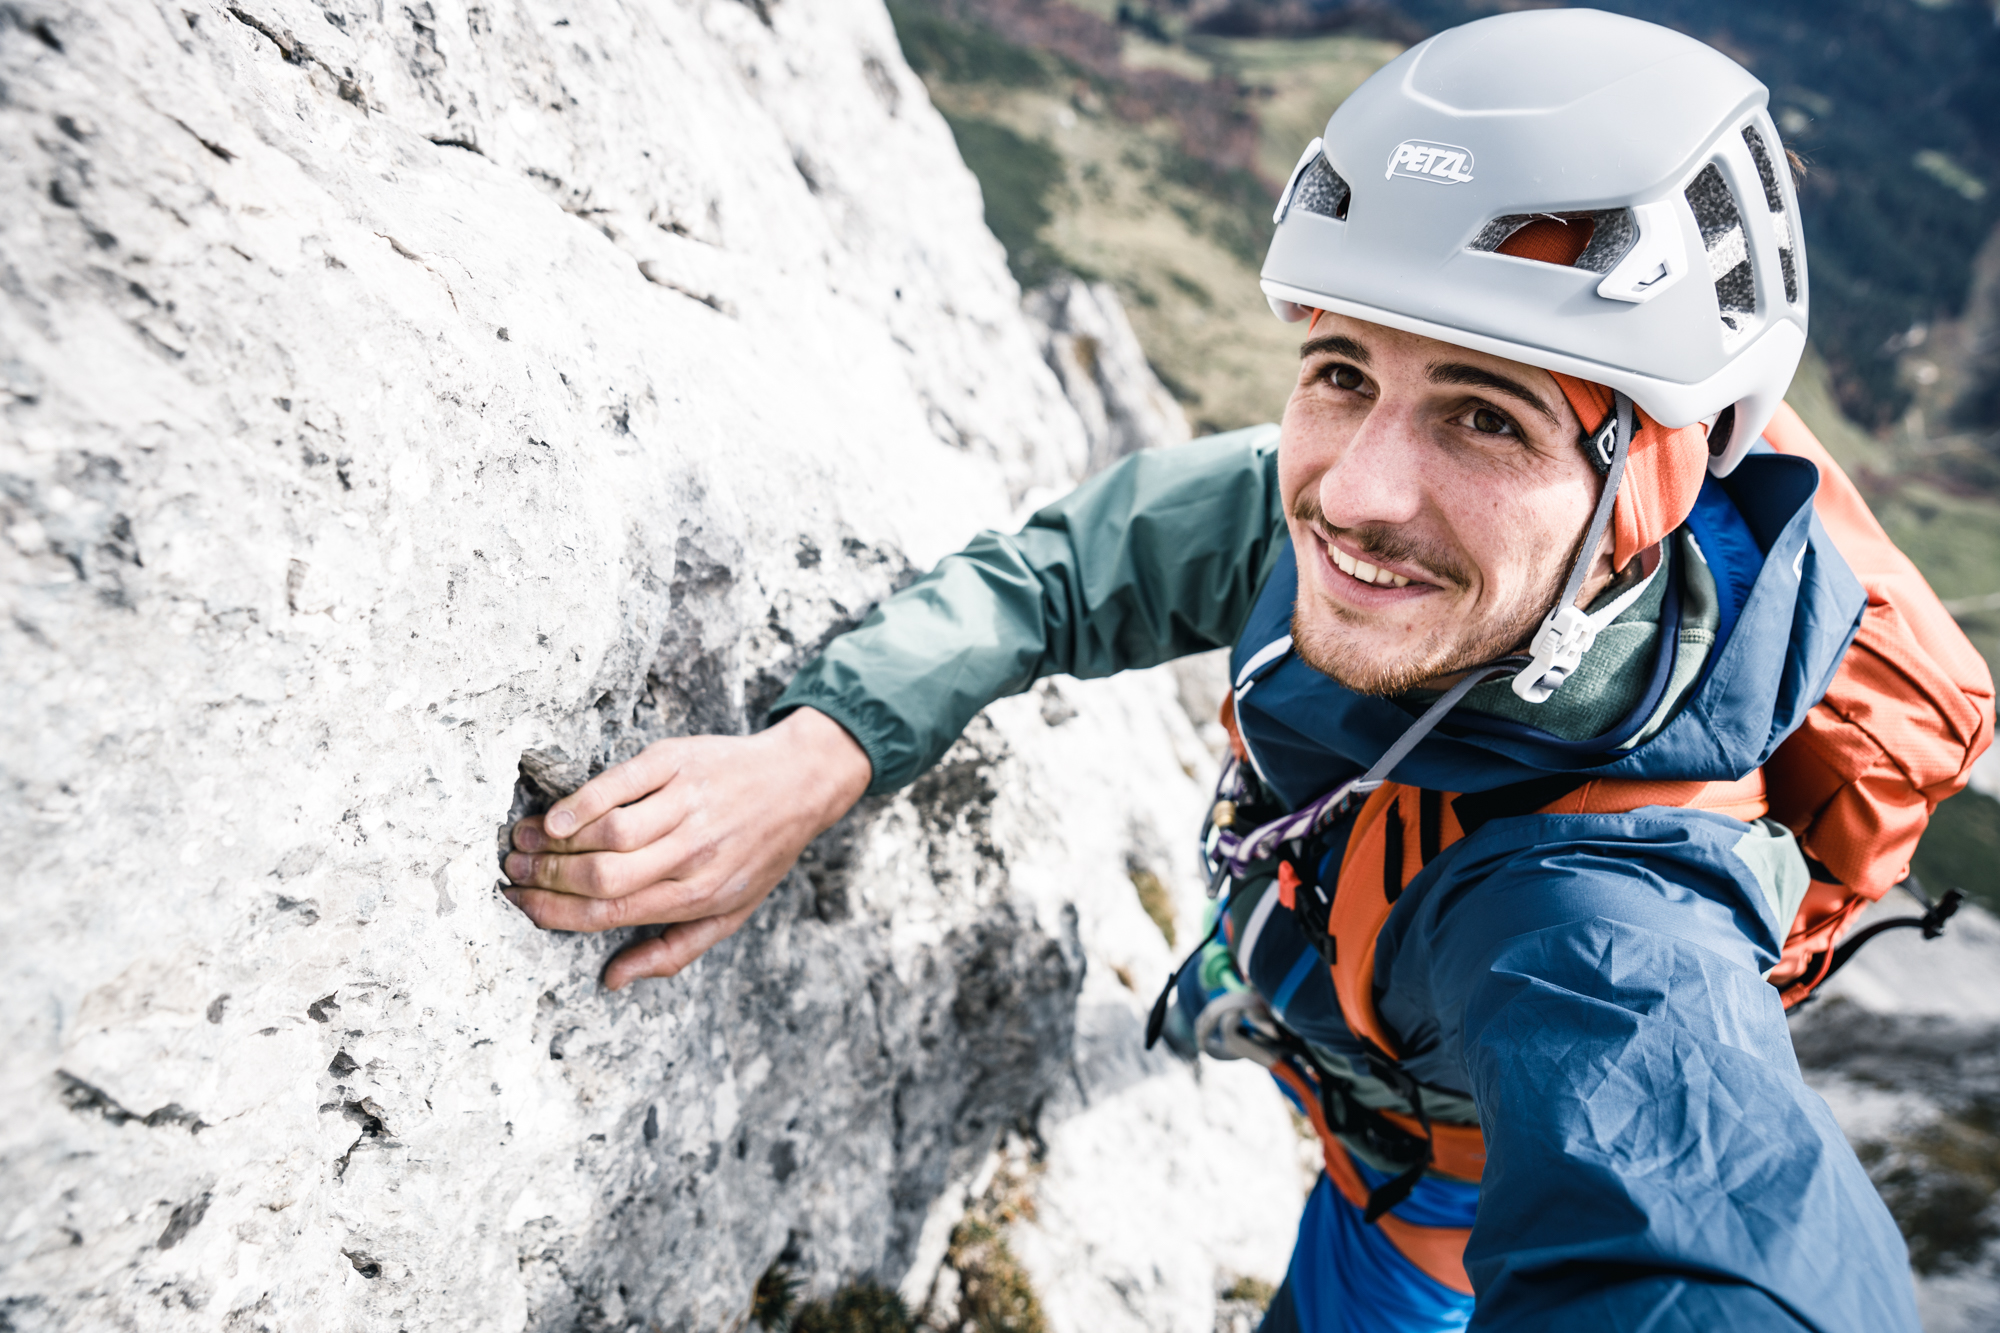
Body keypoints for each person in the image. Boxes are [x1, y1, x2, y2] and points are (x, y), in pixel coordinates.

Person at [499, 11, 1982, 1330]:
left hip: (1416, 1205)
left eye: (1487, 418)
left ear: (1648, 492)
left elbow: (1706, 1238)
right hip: (1331, 924)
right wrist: (815, 754)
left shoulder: (1601, 917)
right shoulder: (1369, 530)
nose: (1353, 494)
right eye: (1342, 371)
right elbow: (1070, 571)